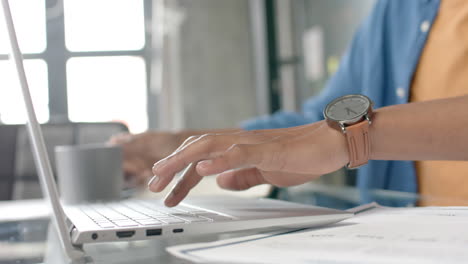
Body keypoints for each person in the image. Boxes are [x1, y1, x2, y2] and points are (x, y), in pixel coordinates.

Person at [111, 0, 468, 207]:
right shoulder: (398, 10)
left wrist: (347, 140)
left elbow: (335, 135)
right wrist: (180, 145)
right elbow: (322, 121)